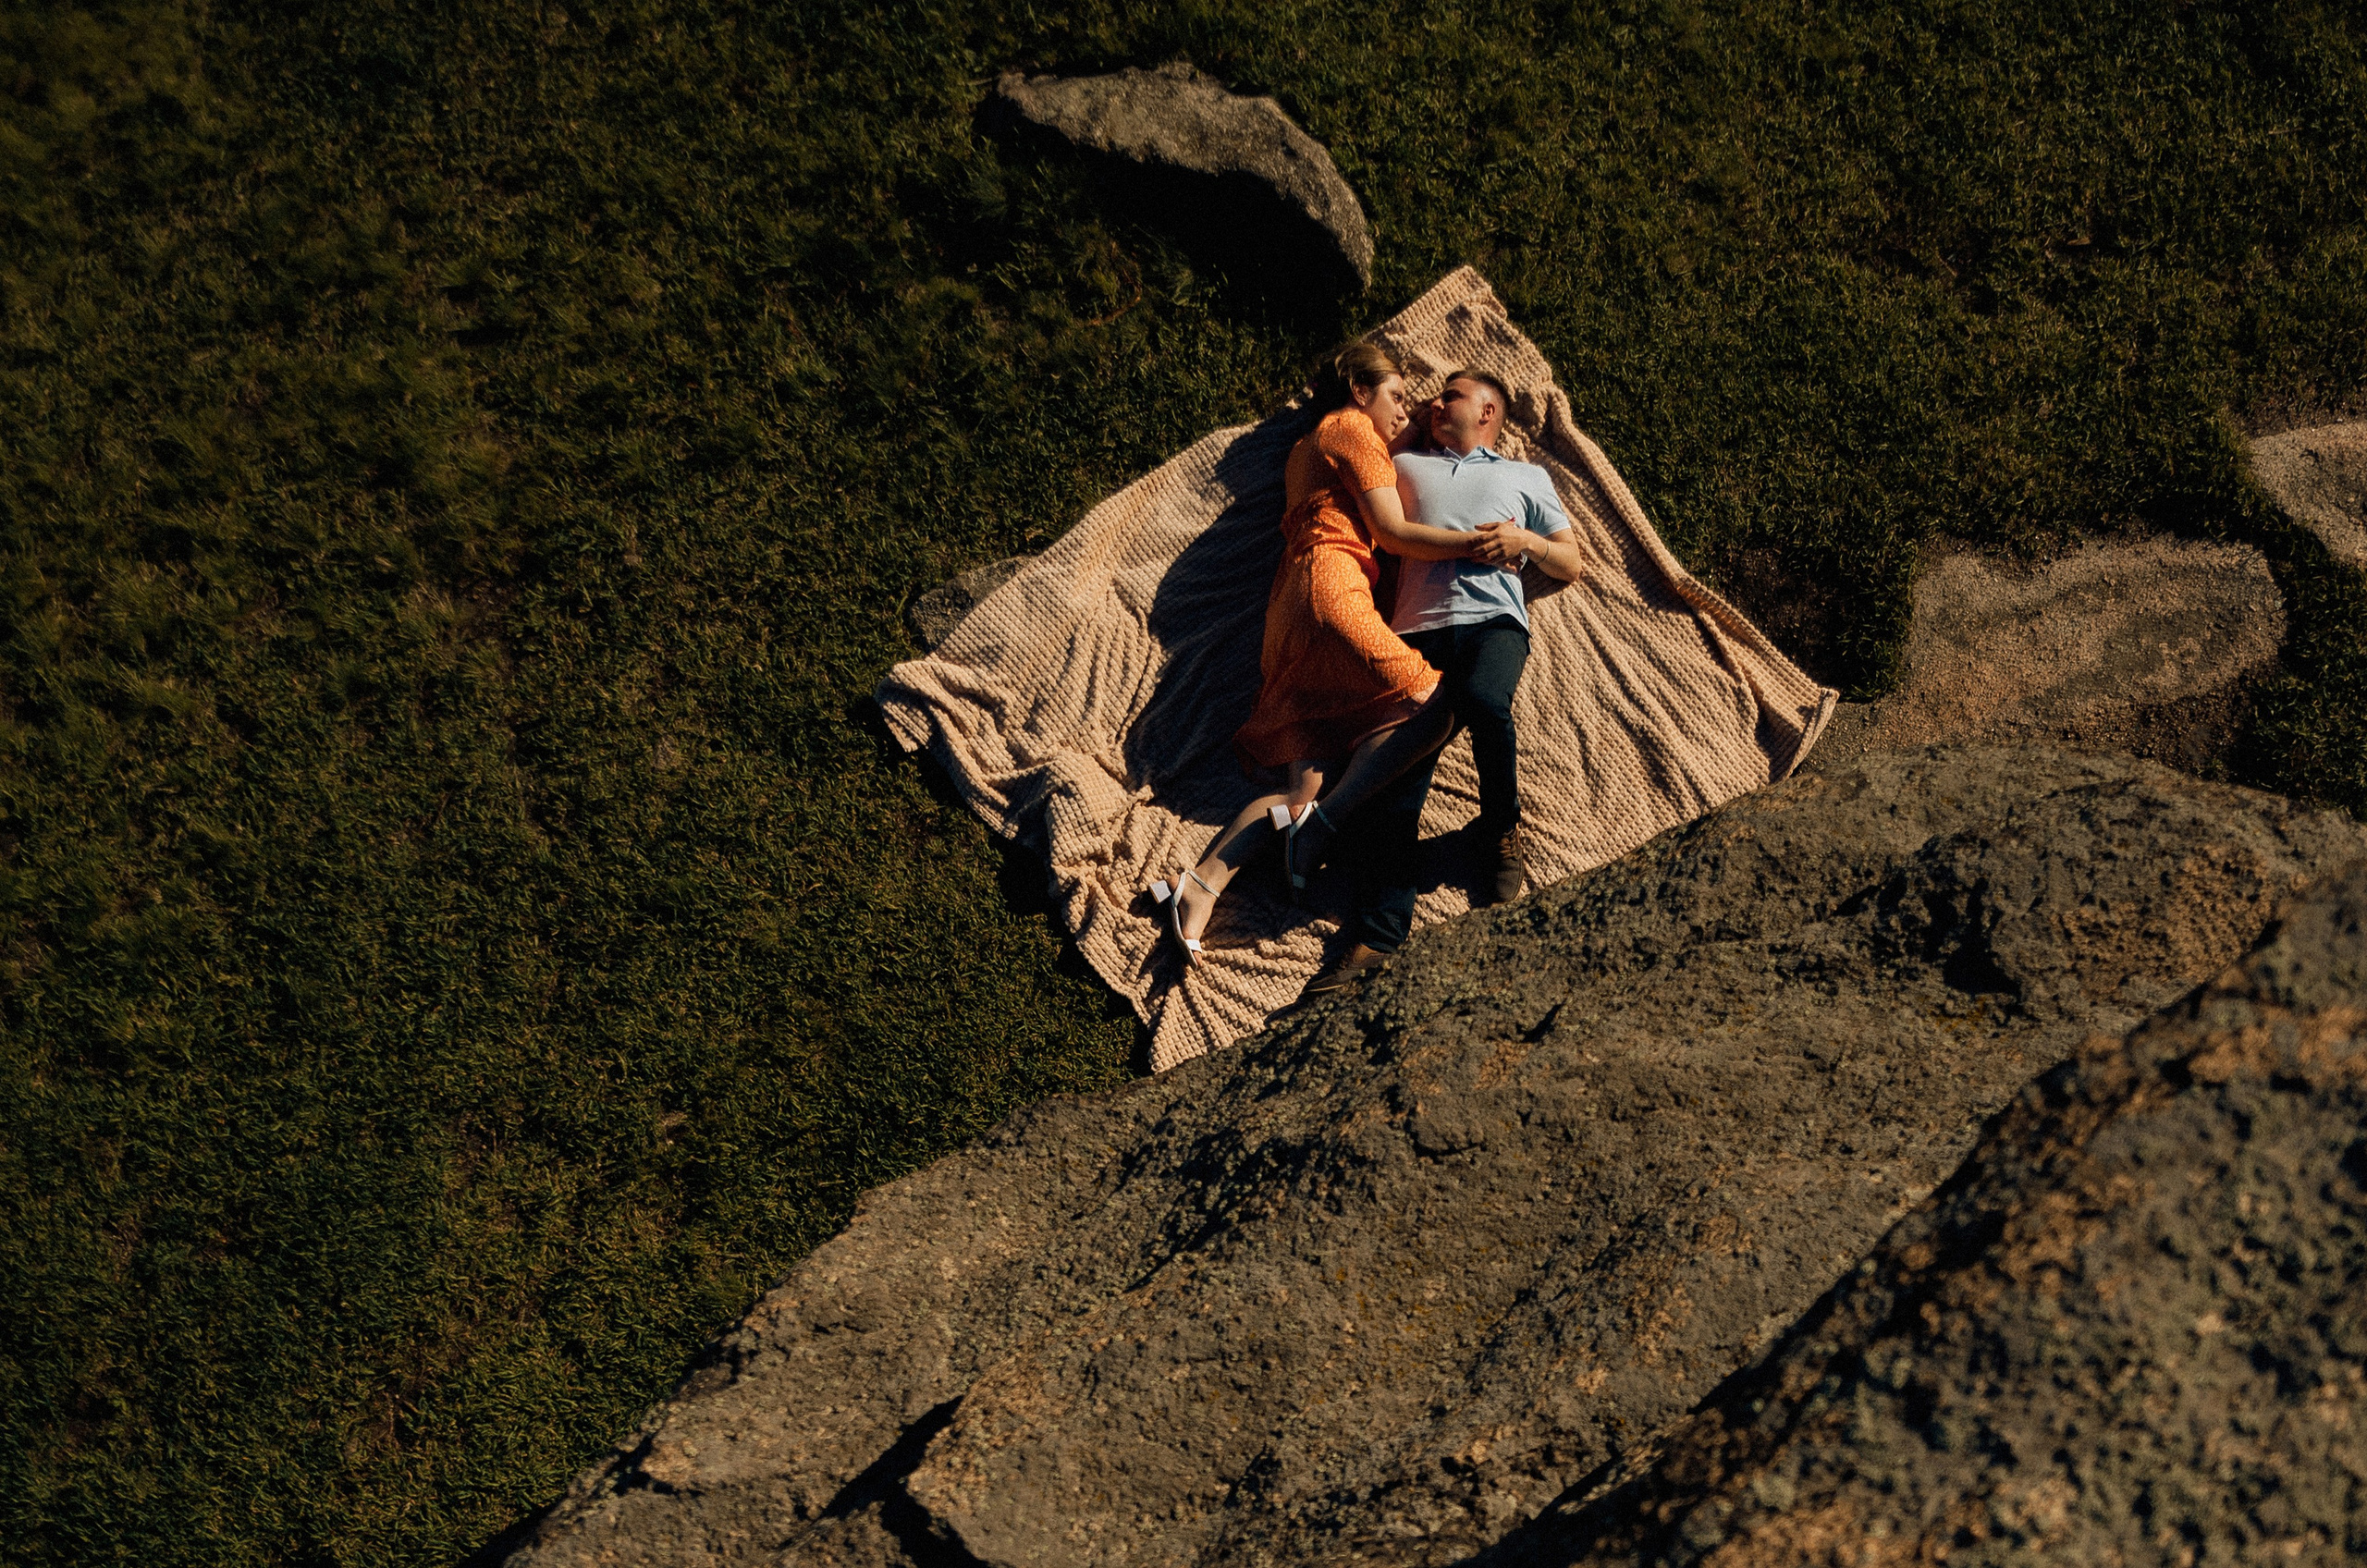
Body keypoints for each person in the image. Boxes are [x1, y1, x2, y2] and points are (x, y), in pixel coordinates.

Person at [1151, 343, 1477, 965]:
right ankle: (1325, 832)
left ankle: (1198, 885)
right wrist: (1475, 544)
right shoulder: (1351, 428)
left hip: (1291, 612)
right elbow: (1392, 531)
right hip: (1331, 593)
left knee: (1305, 795)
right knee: (1441, 701)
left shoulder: (1308, 448)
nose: (1402, 411)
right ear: (1359, 389)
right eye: (1396, 397)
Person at [1286, 367, 1587, 999]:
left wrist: (1524, 539)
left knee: (1483, 701)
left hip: (1492, 624)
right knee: (1395, 787)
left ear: (1487, 412)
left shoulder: (1524, 478)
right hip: (1414, 632)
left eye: (1449, 393)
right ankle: (1377, 936)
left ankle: (1500, 826)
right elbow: (1353, 458)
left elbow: (1571, 561)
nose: (1431, 400)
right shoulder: (1404, 463)